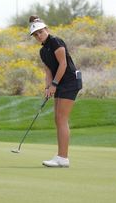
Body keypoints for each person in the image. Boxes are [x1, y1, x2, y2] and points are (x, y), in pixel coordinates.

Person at [29, 15, 82, 168]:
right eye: (36, 34)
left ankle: (63, 157)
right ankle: (61, 156)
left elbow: (63, 64)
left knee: (62, 118)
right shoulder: (42, 51)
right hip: (60, 83)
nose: (39, 35)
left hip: (70, 81)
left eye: (40, 32)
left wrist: (54, 85)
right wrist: (48, 87)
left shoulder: (56, 41)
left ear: (46, 29)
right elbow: (48, 71)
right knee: (58, 118)